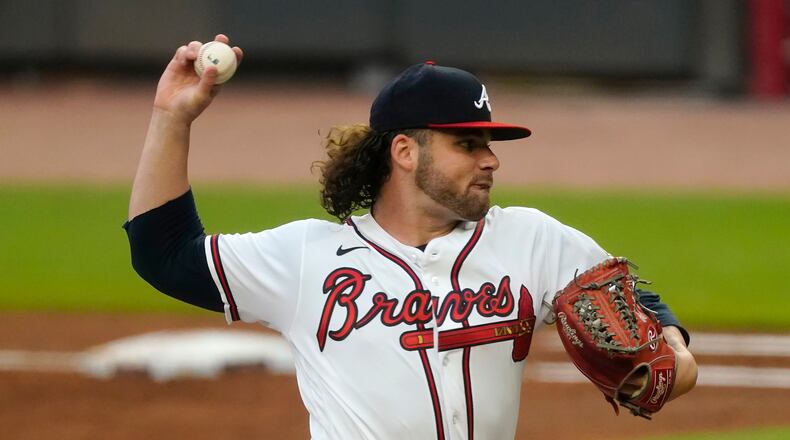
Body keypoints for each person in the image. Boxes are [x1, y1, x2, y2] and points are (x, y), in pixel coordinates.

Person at [125, 34, 697, 440]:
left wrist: (673, 353)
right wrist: (172, 119)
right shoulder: (308, 258)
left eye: (489, 144)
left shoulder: (531, 241)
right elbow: (165, 254)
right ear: (405, 151)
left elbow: (635, 304)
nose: (491, 160)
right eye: (467, 144)